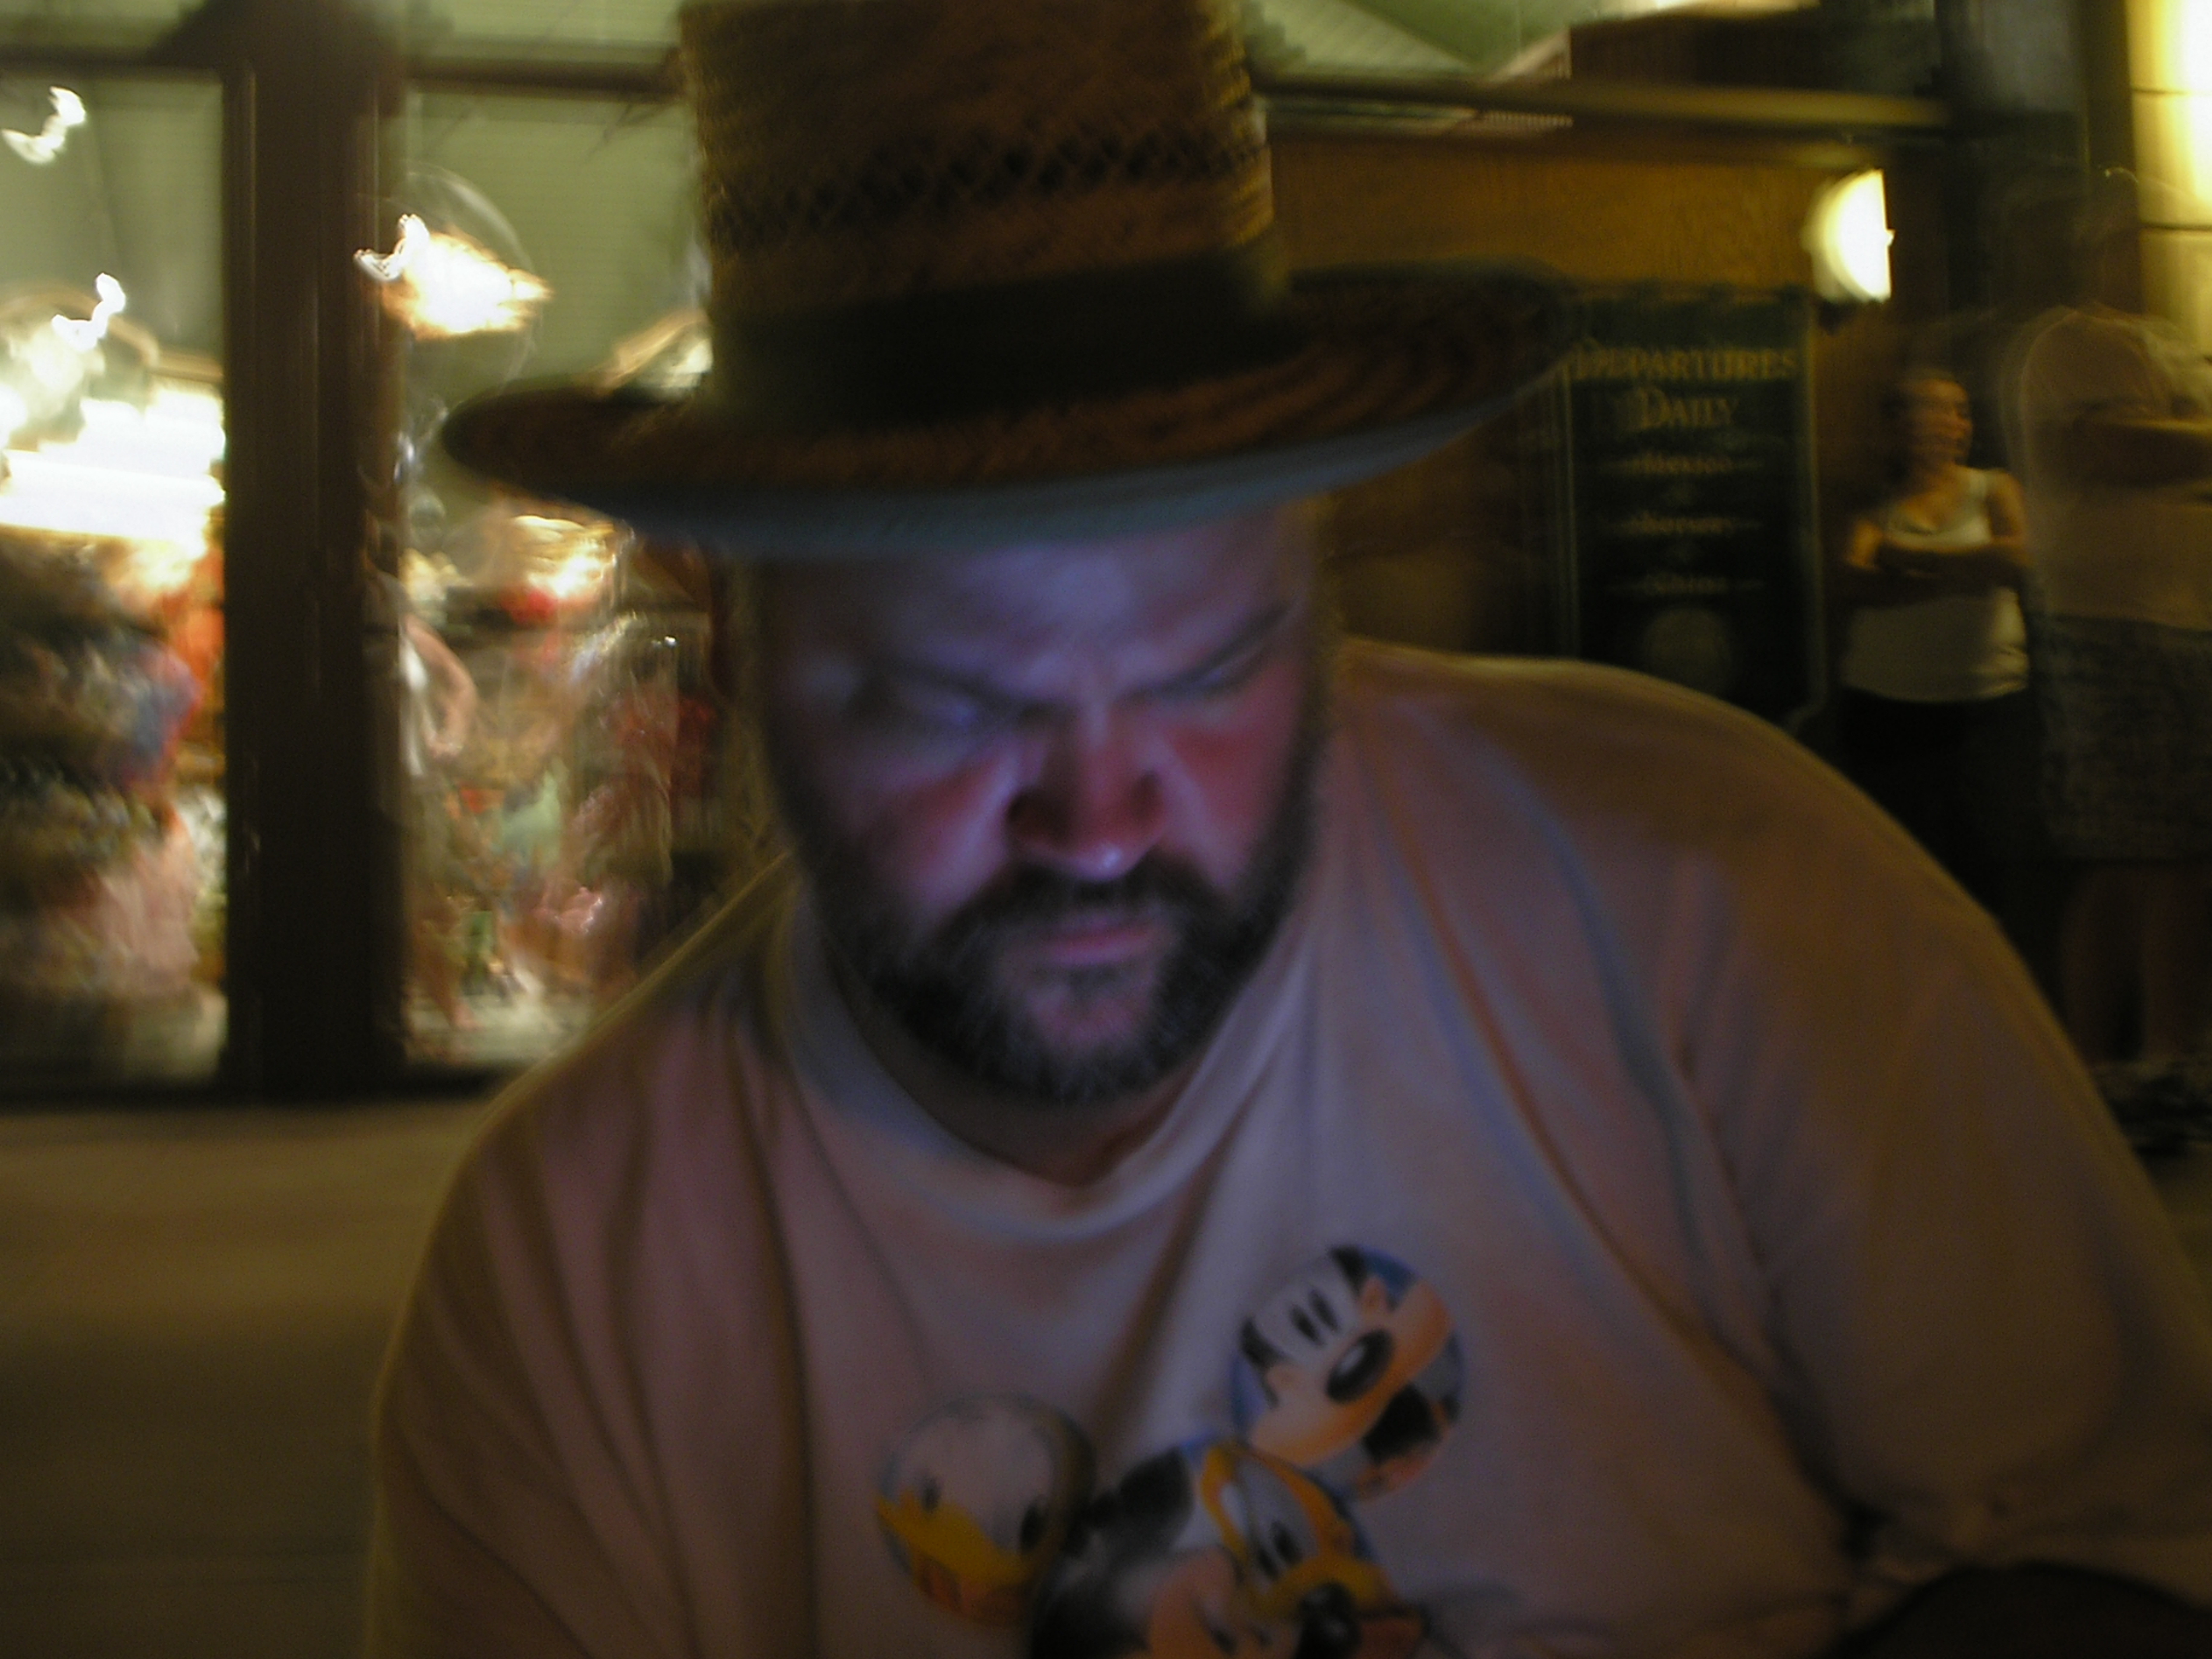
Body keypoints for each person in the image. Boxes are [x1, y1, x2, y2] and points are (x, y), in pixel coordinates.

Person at [370, 5, 2212, 1656]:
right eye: (951, 702)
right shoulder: (570, 1274)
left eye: (1209, 668)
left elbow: (2120, 1539)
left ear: (1322, 593)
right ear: (740, 644)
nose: (1101, 825)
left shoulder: (1722, 901)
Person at [2011, 173, 2212, 1093]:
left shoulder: (2175, 350)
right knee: (2127, 852)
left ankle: (2168, 1058)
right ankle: (2096, 1066)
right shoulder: (2073, 343)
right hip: (2109, 625)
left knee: (2180, 854)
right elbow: (2119, 450)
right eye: (2134, 235)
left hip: (2185, 625)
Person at [1832, 370, 2033, 918]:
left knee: (1986, 859)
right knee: (1898, 862)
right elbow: (1852, 581)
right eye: (1939, 410)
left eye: (1962, 413)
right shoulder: (1873, 507)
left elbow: (2015, 559)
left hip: (1986, 705)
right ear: (1898, 424)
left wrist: (1905, 558)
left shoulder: (1993, 488)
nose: (1955, 425)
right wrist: (1962, 576)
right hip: (1887, 708)